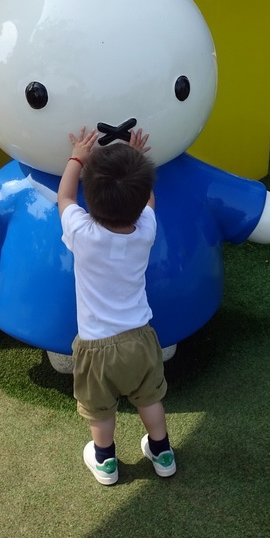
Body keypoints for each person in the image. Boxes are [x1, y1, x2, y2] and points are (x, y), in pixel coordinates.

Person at [58, 126, 176, 485]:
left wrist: (77, 155)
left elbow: (64, 198)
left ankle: (106, 462)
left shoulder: (82, 234)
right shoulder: (146, 230)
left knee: (100, 410)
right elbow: (148, 203)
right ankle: (163, 452)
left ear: (91, 198)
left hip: (96, 347)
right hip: (141, 338)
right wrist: (137, 158)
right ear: (139, 203)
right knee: (149, 398)